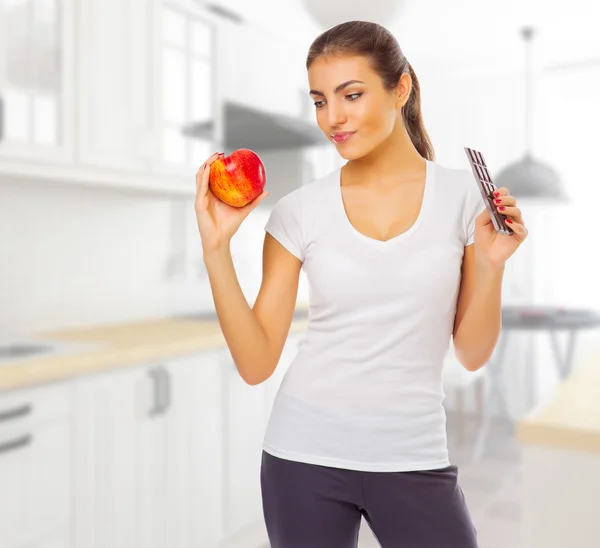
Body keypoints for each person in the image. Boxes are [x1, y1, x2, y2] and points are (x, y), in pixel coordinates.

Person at [194, 19, 528, 548]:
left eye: (351, 95)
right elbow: (256, 363)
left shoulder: (464, 199)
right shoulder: (297, 211)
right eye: (320, 101)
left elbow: (471, 353)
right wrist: (216, 248)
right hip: (301, 457)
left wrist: (492, 266)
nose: (334, 118)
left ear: (401, 88)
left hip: (413, 456)